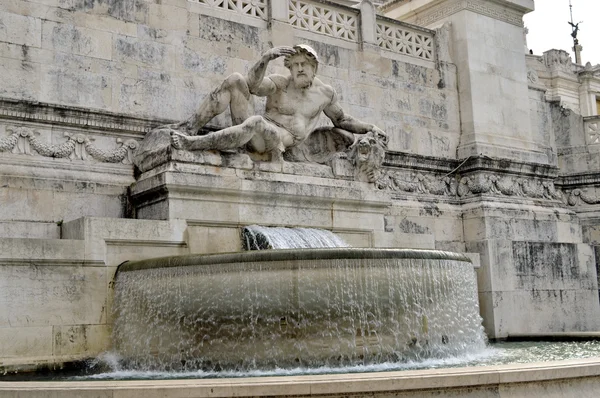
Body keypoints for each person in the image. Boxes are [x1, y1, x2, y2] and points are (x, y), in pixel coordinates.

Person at [169, 44, 387, 162]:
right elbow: (253, 86)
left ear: (315, 68)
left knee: (256, 122)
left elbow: (342, 119)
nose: (300, 68)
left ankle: (192, 144)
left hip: (276, 141)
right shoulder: (280, 83)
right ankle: (190, 128)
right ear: (289, 68)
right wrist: (264, 59)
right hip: (253, 131)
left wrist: (370, 127)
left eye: (304, 64)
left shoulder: (325, 94)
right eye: (295, 65)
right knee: (235, 80)